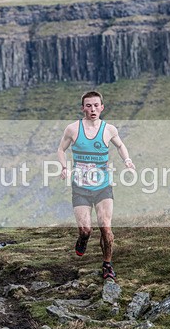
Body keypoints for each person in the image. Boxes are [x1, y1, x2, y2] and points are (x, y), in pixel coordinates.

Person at [56, 91, 135, 281]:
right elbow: (61, 149)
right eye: (88, 105)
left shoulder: (109, 130)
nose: (92, 109)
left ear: (102, 107)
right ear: (83, 108)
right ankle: (82, 239)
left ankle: (107, 265)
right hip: (80, 187)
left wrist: (127, 160)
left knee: (106, 228)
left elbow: (120, 145)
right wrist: (64, 167)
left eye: (96, 105)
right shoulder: (73, 129)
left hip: (103, 186)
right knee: (86, 230)